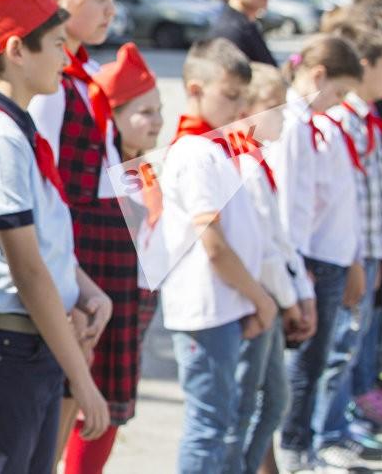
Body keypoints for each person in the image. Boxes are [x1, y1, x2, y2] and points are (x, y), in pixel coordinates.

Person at [0, 0, 111, 474]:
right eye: (59, 47)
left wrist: (86, 288)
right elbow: (24, 267)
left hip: (35, 341)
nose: (67, 60)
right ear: (17, 51)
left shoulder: (19, 128)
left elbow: (44, 243)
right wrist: (82, 381)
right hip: (14, 346)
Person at [22, 0, 139, 466]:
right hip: (73, 259)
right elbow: (46, 191)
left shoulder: (86, 72)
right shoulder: (50, 85)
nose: (108, 9)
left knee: (75, 406)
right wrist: (74, 279)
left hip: (93, 262)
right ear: (55, 0)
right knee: (60, 406)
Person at [159, 38, 272, 474]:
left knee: (222, 420)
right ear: (195, 89)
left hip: (224, 304)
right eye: (229, 96)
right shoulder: (195, 153)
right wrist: (259, 297)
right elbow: (215, 244)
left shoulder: (216, 148)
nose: (239, 106)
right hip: (206, 308)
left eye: (243, 97)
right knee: (208, 425)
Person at [65, 42, 163, 474]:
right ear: (112, 120)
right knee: (88, 404)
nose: (156, 122)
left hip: (138, 297)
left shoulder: (147, 170)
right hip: (106, 294)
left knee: (113, 408)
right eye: (143, 112)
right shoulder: (102, 186)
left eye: (159, 110)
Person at [272, 34, 364, 473]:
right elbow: (292, 206)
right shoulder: (291, 125)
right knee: (303, 368)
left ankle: (299, 448)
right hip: (306, 261)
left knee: (315, 360)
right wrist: (298, 273)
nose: (342, 103)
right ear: (318, 75)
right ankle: (293, 450)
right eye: (340, 92)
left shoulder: (316, 124)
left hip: (322, 259)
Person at [224, 63, 314, 474]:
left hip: (273, 298)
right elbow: (262, 248)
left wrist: (298, 295)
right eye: (274, 107)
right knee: (244, 405)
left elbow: (279, 237)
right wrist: (290, 302)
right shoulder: (240, 164)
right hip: (253, 302)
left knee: (273, 399)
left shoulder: (257, 160)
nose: (282, 116)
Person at [312, 21, 382, 463]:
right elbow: (347, 196)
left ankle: (338, 423)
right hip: (350, 252)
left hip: (369, 248)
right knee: (339, 345)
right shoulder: (345, 121)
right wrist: (357, 257)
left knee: (354, 341)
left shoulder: (366, 120)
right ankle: (325, 431)